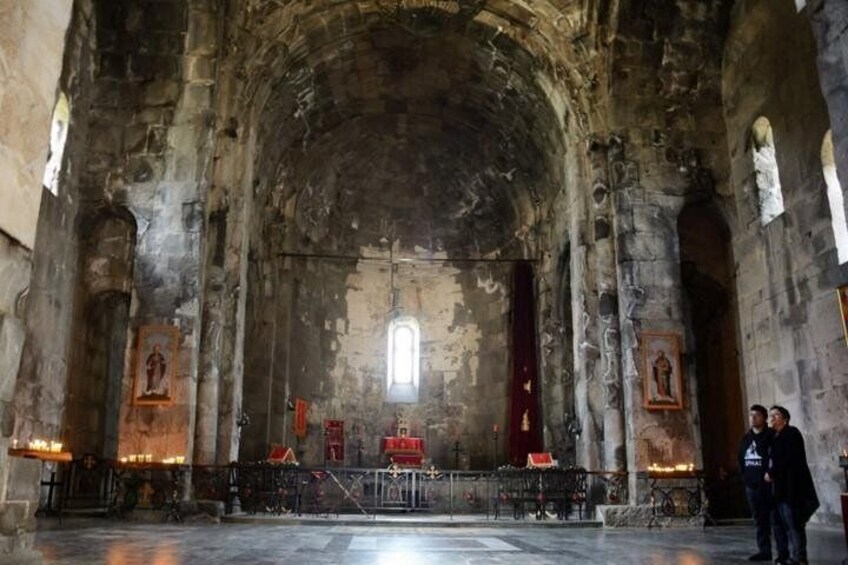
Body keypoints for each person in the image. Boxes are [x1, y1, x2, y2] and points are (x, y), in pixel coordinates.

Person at [765, 405, 819, 565]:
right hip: (782, 488)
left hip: (792, 488)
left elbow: (785, 458)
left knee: (795, 524)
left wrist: (771, 472)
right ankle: (793, 556)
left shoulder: (791, 433)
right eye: (771, 415)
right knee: (787, 525)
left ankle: (800, 558)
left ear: (785, 419)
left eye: (776, 415)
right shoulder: (775, 436)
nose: (772, 418)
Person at [738, 404, 775, 562]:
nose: (753, 418)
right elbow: (741, 459)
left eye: (757, 415)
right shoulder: (746, 438)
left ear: (764, 418)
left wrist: (771, 473)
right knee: (759, 520)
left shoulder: (771, 436)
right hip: (751, 485)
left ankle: (783, 552)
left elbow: (776, 456)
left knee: (775, 520)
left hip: (768, 484)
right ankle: (764, 550)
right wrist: (746, 478)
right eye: (751, 415)